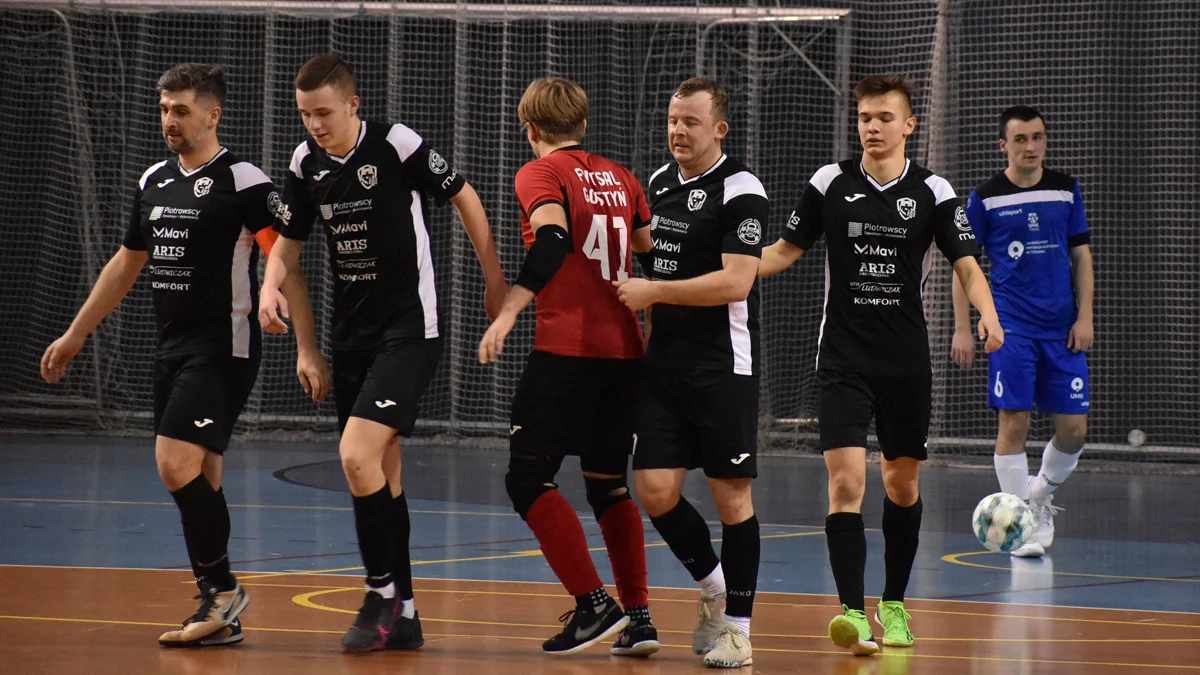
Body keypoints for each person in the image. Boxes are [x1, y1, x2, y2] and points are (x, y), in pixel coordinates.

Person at [40, 63, 327, 647]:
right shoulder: (153, 179)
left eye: (181, 110)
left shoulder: (244, 180)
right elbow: (126, 264)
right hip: (169, 349)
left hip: (224, 347)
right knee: (202, 476)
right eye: (164, 108)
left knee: (173, 463)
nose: (169, 119)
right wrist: (74, 335)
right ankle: (219, 611)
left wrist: (306, 345)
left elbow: (286, 258)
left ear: (212, 114)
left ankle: (223, 593)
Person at [258, 54, 506, 653]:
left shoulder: (395, 144)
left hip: (410, 329)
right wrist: (272, 289)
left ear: (352, 104)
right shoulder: (304, 161)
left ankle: (379, 593)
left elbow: (465, 196)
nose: (314, 124)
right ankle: (409, 613)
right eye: (304, 115)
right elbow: (289, 244)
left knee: (354, 455)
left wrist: (493, 278)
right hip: (353, 337)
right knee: (379, 475)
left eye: (323, 112)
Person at [758, 75, 1004, 656]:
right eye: (864, 117)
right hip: (842, 358)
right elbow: (783, 251)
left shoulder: (933, 190)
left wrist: (989, 314)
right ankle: (850, 613)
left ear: (908, 126)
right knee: (845, 483)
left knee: (901, 482)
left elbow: (966, 264)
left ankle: (893, 603)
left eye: (884, 118)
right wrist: (721, 276)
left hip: (904, 363)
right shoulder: (830, 182)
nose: (871, 126)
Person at [477, 77, 658, 657]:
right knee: (608, 483)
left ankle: (592, 603)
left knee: (527, 476)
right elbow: (652, 253)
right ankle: (639, 617)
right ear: (583, 124)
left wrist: (508, 311)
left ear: (529, 128)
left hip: (567, 348)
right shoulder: (623, 177)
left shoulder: (540, 173)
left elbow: (552, 238)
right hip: (626, 352)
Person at [613, 76, 766, 669]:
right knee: (654, 489)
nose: (678, 130)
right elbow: (647, 261)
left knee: (732, 498)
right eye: (674, 120)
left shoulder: (740, 187)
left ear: (718, 129)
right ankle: (713, 593)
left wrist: (656, 290)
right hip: (664, 366)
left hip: (721, 366)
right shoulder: (656, 183)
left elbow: (737, 280)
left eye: (691, 122)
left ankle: (740, 629)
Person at [951, 105, 1093, 558]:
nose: (1030, 147)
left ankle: (1040, 496)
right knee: (1014, 421)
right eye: (1020, 140)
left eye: (1037, 138)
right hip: (1010, 328)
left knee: (1074, 429)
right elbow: (964, 266)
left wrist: (1084, 315)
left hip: (1061, 330)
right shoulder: (985, 198)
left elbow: (1082, 258)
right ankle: (1022, 528)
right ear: (1004, 146)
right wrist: (961, 327)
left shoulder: (1066, 191)